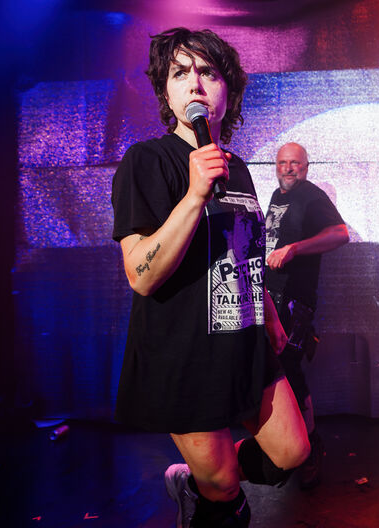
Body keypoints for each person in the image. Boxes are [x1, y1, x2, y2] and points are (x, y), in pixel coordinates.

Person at [110, 28, 309, 527]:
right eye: (181, 73)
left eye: (208, 72)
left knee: (292, 452)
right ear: (166, 91)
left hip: (242, 340)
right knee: (222, 489)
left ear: (227, 92)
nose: (195, 83)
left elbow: (243, 252)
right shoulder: (147, 162)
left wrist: (265, 313)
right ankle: (202, 490)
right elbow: (140, 275)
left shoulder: (236, 169)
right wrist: (194, 195)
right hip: (183, 352)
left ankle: (202, 479)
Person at [264, 142, 349, 489]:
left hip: (294, 300)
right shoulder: (276, 195)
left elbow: (340, 234)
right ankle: (288, 441)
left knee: (290, 369)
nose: (288, 169)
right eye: (283, 163)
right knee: (278, 369)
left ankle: (311, 446)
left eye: (295, 163)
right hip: (271, 297)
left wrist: (295, 248)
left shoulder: (312, 197)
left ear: (306, 167)